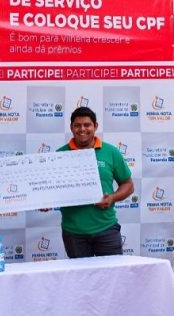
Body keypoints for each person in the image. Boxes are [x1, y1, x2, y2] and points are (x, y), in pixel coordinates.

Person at [57, 107, 133, 258]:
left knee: (112, 272)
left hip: (107, 228)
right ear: (71, 127)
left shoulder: (111, 152)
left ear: (95, 126)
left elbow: (128, 185)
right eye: (77, 125)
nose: (82, 129)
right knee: (81, 274)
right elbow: (52, 189)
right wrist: (45, 201)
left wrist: (112, 198)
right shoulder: (60, 155)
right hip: (74, 232)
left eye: (87, 125)